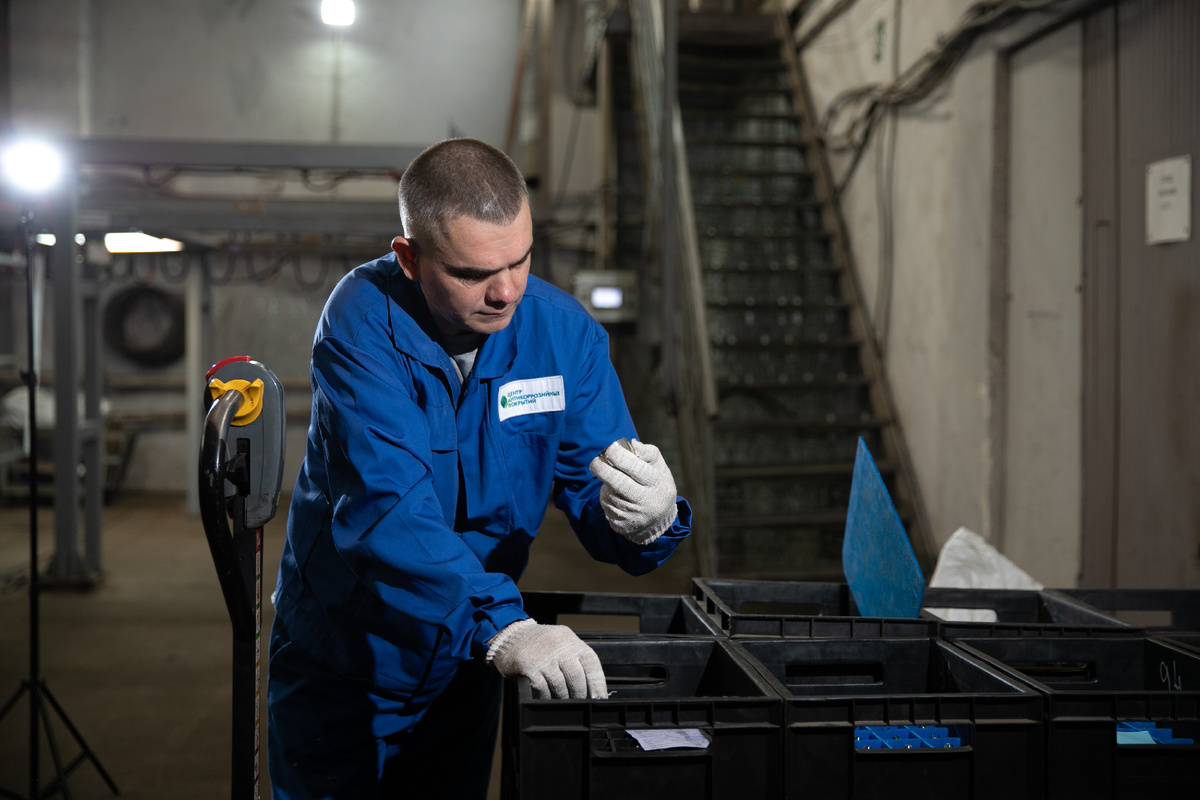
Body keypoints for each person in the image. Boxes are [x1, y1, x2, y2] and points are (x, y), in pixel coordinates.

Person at [267, 138, 692, 799]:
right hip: (350, 660)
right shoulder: (362, 325)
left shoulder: (561, 335)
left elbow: (596, 484)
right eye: (472, 273)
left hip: (467, 662)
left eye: (521, 260)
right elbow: (388, 510)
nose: (505, 292)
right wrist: (505, 627)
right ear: (409, 258)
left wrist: (647, 518)